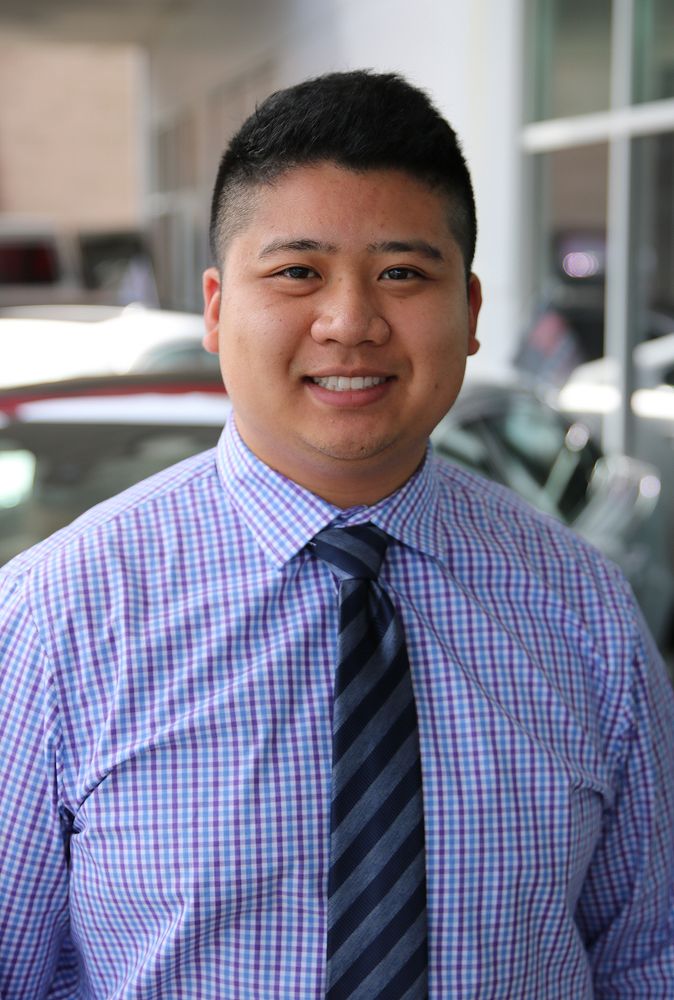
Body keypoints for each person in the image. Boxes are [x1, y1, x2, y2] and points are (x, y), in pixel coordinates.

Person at [1, 70, 673, 999]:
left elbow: (649, 957)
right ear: (216, 307)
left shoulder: (582, 608)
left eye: (403, 273)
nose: (351, 322)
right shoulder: (56, 617)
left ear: (471, 312)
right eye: (297, 272)